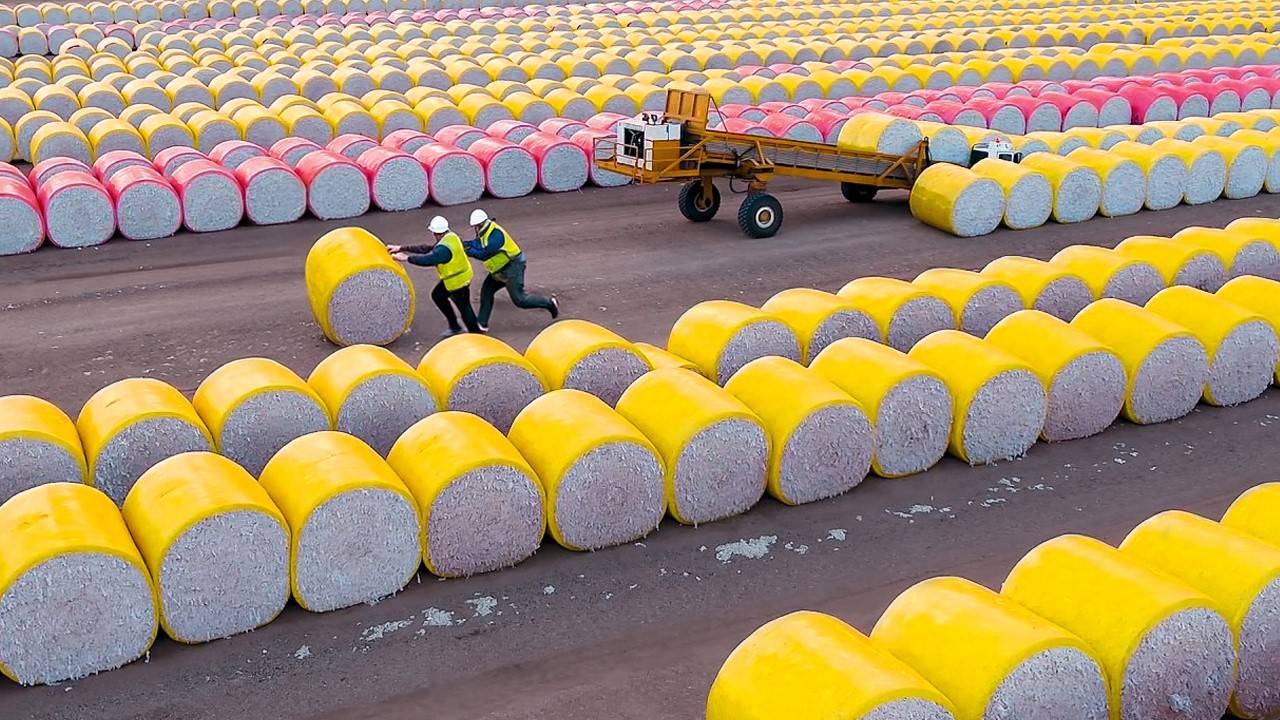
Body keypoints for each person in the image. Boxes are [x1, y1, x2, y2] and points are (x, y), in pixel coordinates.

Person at [463, 208, 559, 332]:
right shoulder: (485, 232)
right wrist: (466, 244)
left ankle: (549, 303)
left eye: (475, 226)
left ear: (480, 224)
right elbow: (478, 243)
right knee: (486, 292)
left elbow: (484, 253)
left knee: (520, 300)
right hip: (499, 269)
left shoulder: (496, 235)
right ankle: (482, 323)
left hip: (512, 267)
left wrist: (467, 250)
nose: (475, 229)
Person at [388, 216, 481, 337]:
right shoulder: (451, 237)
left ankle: (476, 335)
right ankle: (455, 326)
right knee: (438, 295)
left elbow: (428, 259)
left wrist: (406, 258)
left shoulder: (443, 249)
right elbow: (426, 248)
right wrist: (401, 248)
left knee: (464, 307)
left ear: (435, 233)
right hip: (458, 276)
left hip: (457, 281)